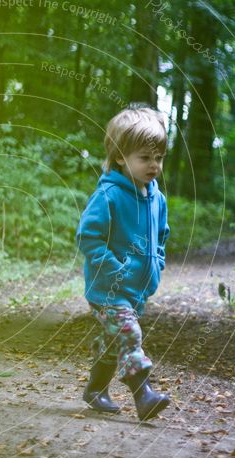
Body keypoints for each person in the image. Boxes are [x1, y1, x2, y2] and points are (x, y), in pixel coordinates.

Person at [75, 103, 171, 421]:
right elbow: (88, 237)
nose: (154, 165)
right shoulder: (109, 196)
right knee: (129, 333)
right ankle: (143, 396)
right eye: (145, 158)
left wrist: (157, 261)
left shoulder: (157, 198)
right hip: (108, 288)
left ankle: (95, 391)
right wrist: (115, 268)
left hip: (137, 290)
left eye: (158, 157)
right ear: (120, 157)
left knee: (114, 341)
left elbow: (162, 234)